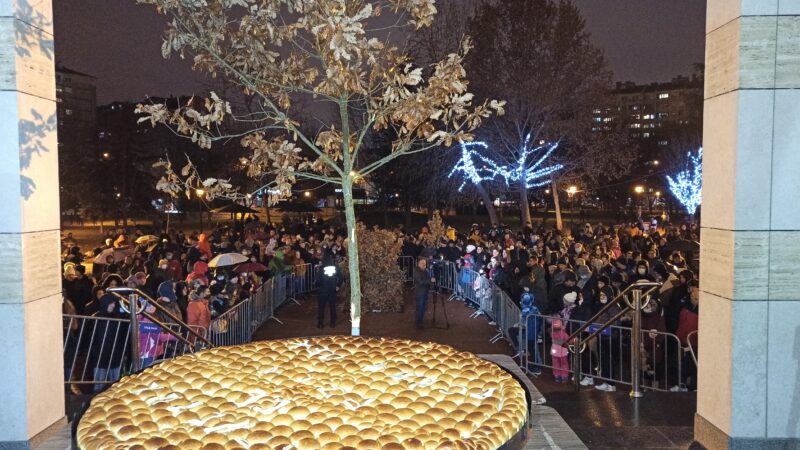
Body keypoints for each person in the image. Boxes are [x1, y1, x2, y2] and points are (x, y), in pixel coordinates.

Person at [316, 252, 343, 328]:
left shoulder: (321, 268)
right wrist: (338, 285)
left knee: (321, 307)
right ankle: (332, 322)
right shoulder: (335, 267)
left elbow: (318, 279)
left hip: (323, 289)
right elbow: (341, 277)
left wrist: (317, 286)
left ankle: (320, 323)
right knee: (332, 306)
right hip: (332, 289)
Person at [413, 257, 435, 328]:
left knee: (423, 306)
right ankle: (418, 322)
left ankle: (420, 320)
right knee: (420, 307)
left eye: (425, 264)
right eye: (422, 263)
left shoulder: (425, 271)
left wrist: (432, 283)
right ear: (418, 263)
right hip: (420, 292)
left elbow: (428, 278)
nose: (424, 265)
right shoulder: (416, 270)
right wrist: (430, 281)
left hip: (425, 291)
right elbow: (420, 281)